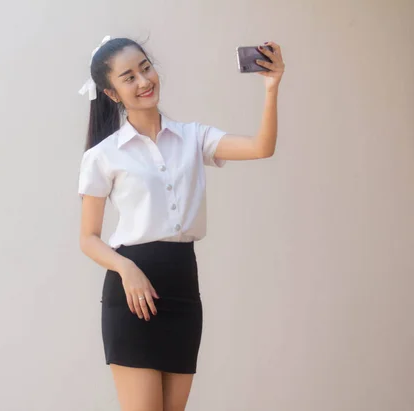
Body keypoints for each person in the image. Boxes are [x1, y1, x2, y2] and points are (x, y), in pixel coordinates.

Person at [77, 36, 285, 411]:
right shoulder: (102, 157)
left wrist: (271, 88)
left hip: (182, 288)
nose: (143, 81)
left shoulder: (193, 137)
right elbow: (88, 239)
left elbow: (261, 147)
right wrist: (127, 269)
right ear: (112, 93)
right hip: (132, 296)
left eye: (145, 68)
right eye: (129, 77)